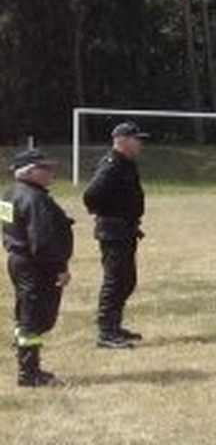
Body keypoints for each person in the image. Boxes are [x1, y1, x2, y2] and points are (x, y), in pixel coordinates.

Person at [2, 150, 73, 386]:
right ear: (31, 172)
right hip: (35, 264)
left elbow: (8, 227)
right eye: (46, 168)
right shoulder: (34, 198)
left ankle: (28, 366)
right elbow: (41, 240)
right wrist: (59, 268)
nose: (51, 172)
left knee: (28, 315)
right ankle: (29, 373)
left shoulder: (9, 193)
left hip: (18, 259)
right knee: (35, 318)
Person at [83, 121, 149, 349]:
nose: (140, 143)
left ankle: (115, 325)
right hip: (113, 231)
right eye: (136, 138)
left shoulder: (126, 163)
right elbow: (91, 195)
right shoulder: (112, 164)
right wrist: (109, 214)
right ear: (121, 140)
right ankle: (106, 332)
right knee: (115, 281)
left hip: (125, 230)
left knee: (127, 280)